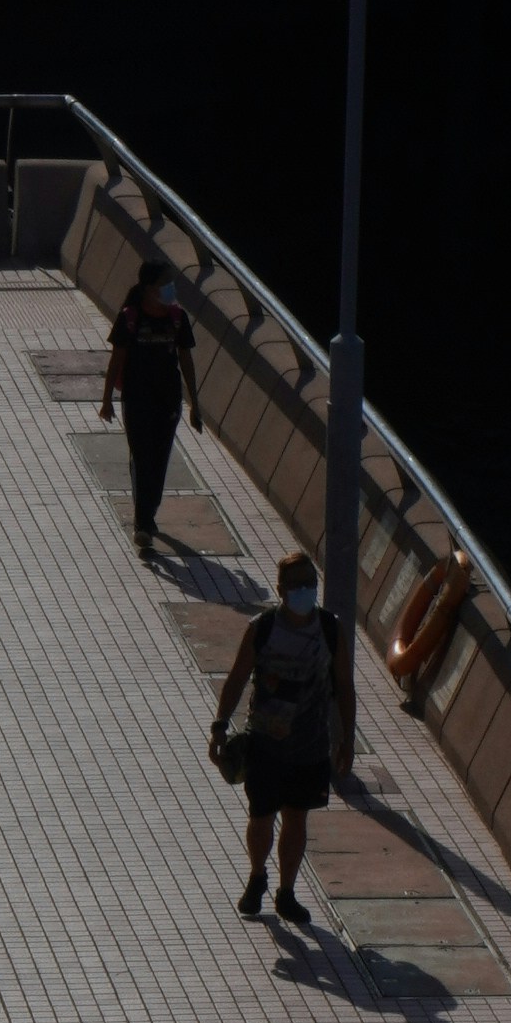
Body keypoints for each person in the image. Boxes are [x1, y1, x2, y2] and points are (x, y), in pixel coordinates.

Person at [211, 553, 356, 922]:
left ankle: (286, 892)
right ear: (280, 590)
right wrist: (220, 724)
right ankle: (257, 876)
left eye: (310, 581)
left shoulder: (329, 628)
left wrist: (346, 740)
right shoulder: (262, 628)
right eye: (296, 584)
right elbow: (238, 677)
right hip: (265, 744)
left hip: (310, 747)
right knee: (261, 816)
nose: (305, 590)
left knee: (297, 818)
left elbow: (343, 686)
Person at [99, 256, 202, 559]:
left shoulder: (177, 318)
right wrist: (106, 401)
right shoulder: (130, 317)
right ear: (147, 288)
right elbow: (116, 360)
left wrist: (195, 403)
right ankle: (142, 524)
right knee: (143, 458)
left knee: (158, 460)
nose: (171, 289)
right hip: (137, 399)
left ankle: (148, 511)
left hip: (168, 399)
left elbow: (187, 361)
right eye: (164, 284)